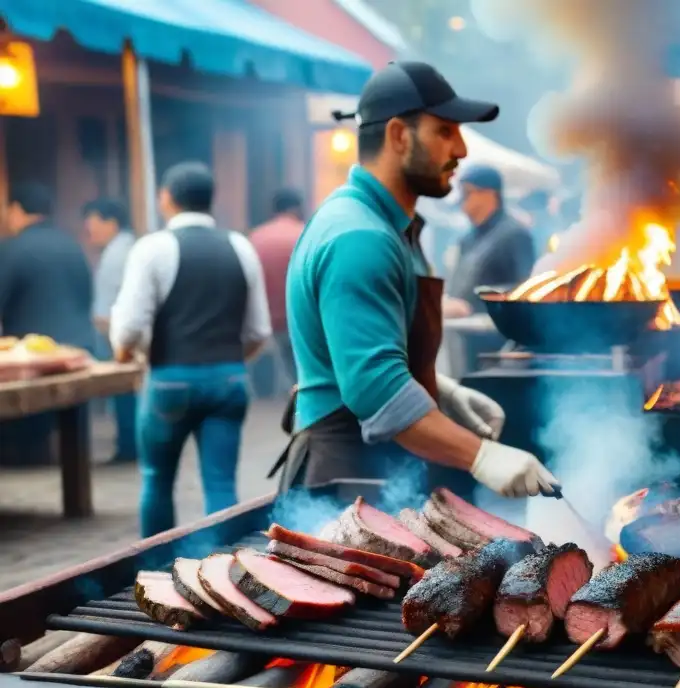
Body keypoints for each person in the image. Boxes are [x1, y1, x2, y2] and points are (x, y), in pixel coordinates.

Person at [278, 61, 557, 498]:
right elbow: (375, 390)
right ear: (398, 135)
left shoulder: (387, 225)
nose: (462, 149)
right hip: (345, 476)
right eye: (445, 131)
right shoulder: (360, 237)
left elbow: (361, 351)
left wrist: (437, 390)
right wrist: (482, 455)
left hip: (378, 466)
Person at [110, 162, 272, 537]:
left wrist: (124, 352)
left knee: (157, 478)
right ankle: (226, 572)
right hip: (229, 379)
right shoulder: (240, 247)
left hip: (169, 379)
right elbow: (259, 330)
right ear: (209, 200)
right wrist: (227, 363)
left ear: (165, 198)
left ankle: (156, 568)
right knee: (221, 484)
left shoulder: (152, 248)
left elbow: (131, 326)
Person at [0, 183, 94, 465]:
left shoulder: (11, 249)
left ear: (16, 210)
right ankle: (70, 456)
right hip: (79, 345)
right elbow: (86, 294)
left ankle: (25, 456)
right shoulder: (72, 245)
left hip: (36, 353)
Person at [84, 197, 137, 463]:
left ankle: (127, 447)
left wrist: (112, 347)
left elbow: (103, 313)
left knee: (124, 396)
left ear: (111, 223)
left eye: (92, 224)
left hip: (118, 338)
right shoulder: (130, 246)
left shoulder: (115, 256)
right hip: (132, 336)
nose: (89, 232)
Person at [444, 165, 536, 318]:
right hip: (465, 336)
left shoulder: (514, 235)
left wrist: (473, 306)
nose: (462, 202)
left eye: (467, 193)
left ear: (489, 194)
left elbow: (526, 289)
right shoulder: (467, 239)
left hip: (498, 336)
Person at [248, 189, 306, 397]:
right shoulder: (307, 233)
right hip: (300, 317)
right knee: (298, 369)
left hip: (266, 318)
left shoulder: (256, 237)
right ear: (297, 208)